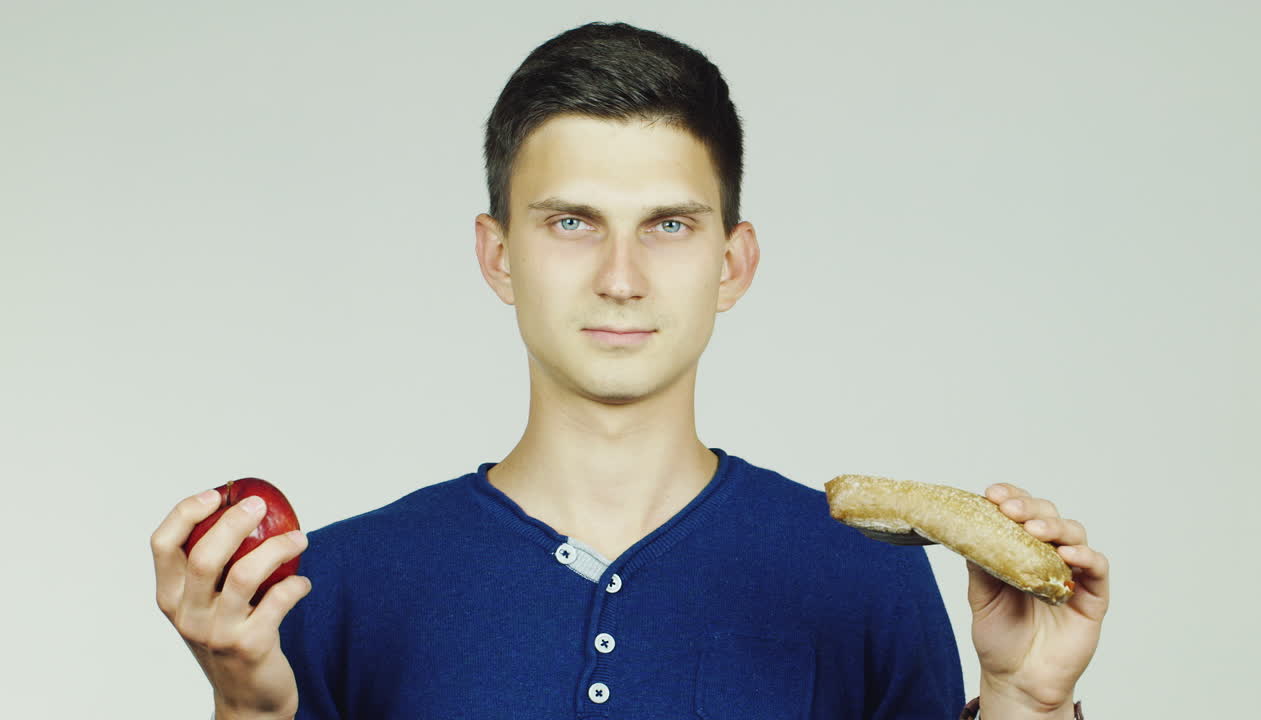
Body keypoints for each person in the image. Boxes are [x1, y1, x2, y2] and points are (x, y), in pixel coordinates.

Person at [150, 21, 1109, 720]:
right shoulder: (330, 587)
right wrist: (249, 711)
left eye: (669, 225)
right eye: (571, 223)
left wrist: (1028, 703)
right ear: (498, 256)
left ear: (732, 263)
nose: (620, 278)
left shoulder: (867, 580)